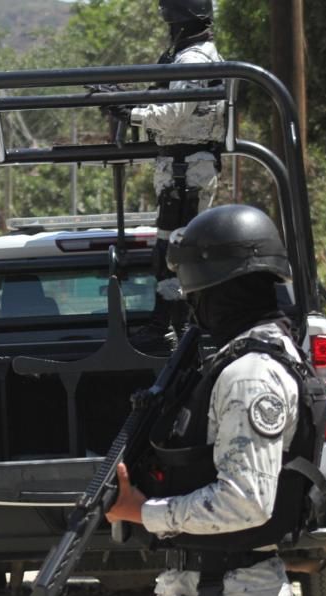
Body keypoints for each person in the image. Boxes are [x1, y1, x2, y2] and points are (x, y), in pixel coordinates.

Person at [107, 205, 326, 596]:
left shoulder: (251, 375)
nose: (192, 306)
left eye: (195, 293)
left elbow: (245, 502)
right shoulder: (253, 355)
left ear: (215, 289)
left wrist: (141, 511)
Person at [122, 0, 226, 350]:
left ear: (179, 21)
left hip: (187, 173)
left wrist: (130, 113)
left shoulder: (193, 60)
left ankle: (173, 329)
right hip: (184, 171)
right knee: (174, 251)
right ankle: (173, 326)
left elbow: (171, 114)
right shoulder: (195, 56)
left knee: (177, 254)